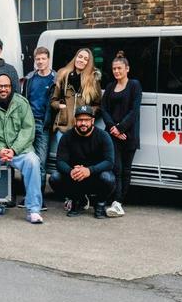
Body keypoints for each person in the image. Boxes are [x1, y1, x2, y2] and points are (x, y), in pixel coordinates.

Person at [0, 73, 44, 225]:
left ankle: (33, 210)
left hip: (18, 150)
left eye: (6, 86)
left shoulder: (22, 103)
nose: (3, 89)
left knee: (33, 161)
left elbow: (28, 129)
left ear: (11, 87)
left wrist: (14, 150)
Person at [50, 47, 102, 212]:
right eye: (80, 56)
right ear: (75, 57)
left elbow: (98, 104)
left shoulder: (92, 79)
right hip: (64, 126)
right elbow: (53, 100)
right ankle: (70, 196)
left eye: (86, 59)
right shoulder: (63, 75)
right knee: (65, 164)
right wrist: (61, 106)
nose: (82, 60)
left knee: (81, 162)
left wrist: (88, 114)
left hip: (82, 129)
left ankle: (81, 194)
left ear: (89, 62)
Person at [50, 105, 115, 218]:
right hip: (75, 178)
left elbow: (109, 162)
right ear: (75, 120)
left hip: (95, 177)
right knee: (55, 177)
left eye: (86, 120)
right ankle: (77, 200)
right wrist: (70, 171)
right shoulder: (67, 137)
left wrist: (89, 170)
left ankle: (100, 204)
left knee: (108, 178)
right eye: (80, 120)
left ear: (92, 121)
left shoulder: (103, 136)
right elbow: (60, 162)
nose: (83, 123)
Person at [100, 51, 142, 217]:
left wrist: (121, 128)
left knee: (126, 170)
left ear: (127, 69)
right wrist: (113, 128)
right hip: (112, 135)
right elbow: (104, 109)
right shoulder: (110, 87)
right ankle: (114, 201)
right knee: (116, 168)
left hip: (128, 134)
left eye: (119, 68)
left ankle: (118, 202)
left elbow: (134, 111)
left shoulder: (134, 85)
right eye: (114, 69)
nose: (116, 71)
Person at [20, 46, 55, 208]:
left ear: (48, 59)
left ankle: (38, 199)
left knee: (40, 162)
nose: (40, 62)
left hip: (43, 124)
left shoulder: (55, 79)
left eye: (43, 59)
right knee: (26, 159)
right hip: (28, 123)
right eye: (37, 59)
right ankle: (27, 196)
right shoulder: (30, 78)